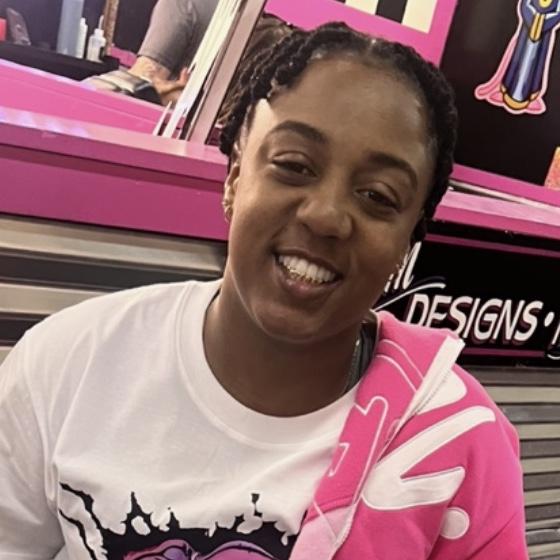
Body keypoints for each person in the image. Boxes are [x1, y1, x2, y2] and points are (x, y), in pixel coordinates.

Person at [0, 22, 528, 560]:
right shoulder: (71, 364)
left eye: (378, 195)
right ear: (235, 176)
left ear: (407, 241)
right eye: (294, 165)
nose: (326, 216)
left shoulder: (458, 448)